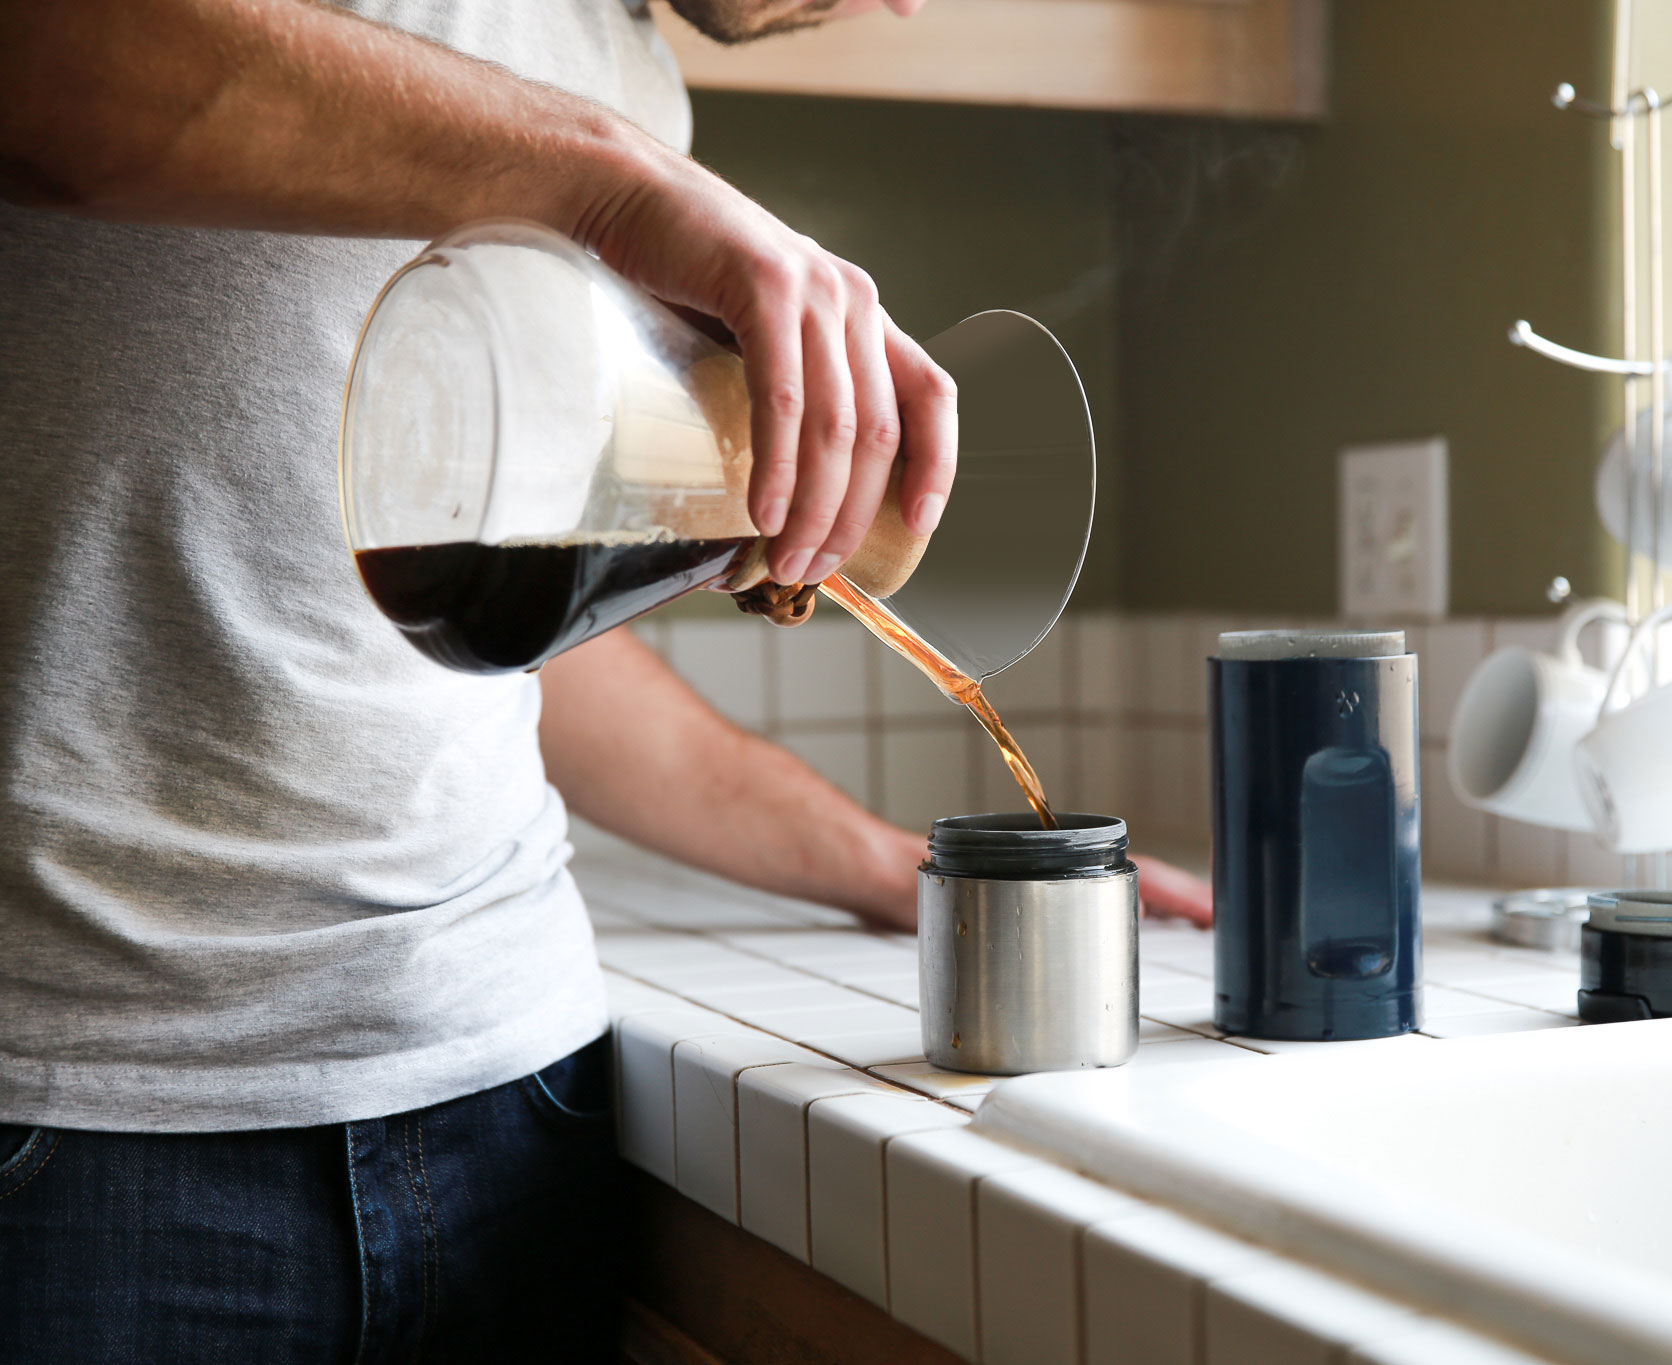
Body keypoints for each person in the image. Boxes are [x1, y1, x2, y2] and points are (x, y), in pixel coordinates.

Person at [0, 1, 1212, 1360]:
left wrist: (880, 863)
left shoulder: (637, 83)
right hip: (83, 1120)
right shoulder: (620, 164)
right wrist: (613, 180)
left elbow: (512, 648)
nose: (904, 5)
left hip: (506, 1092)